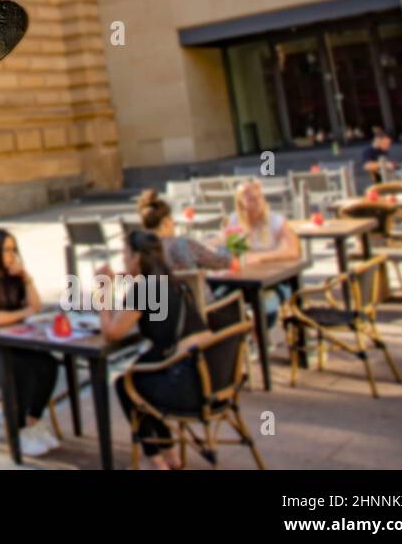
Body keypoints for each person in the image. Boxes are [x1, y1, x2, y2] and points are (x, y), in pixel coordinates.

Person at [98, 229, 208, 469]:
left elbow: (112, 332)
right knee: (141, 376)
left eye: (125, 254)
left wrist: (104, 292)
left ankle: (157, 461)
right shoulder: (173, 280)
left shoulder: (145, 288)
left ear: (137, 257)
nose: (123, 259)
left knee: (126, 385)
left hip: (184, 384)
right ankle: (170, 456)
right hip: (209, 376)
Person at [0, 228, 62, 457]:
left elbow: (35, 304)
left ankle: (32, 422)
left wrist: (27, 278)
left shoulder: (12, 274)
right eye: (6, 250)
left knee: (48, 365)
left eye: (13, 249)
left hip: (12, 342)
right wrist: (23, 312)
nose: (11, 254)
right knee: (21, 371)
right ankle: (17, 431)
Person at [215, 180, 301, 327]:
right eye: (251, 198)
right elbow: (225, 247)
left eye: (259, 197)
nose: (257, 202)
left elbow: (294, 250)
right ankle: (239, 339)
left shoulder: (275, 221)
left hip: (274, 283)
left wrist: (260, 258)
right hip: (242, 282)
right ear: (240, 202)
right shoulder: (234, 221)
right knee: (217, 300)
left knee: (264, 304)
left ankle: (261, 339)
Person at [136, 189, 231, 272]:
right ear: (166, 222)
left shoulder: (137, 253)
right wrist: (223, 245)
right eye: (173, 222)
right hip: (188, 292)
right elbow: (223, 263)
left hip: (154, 293)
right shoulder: (183, 244)